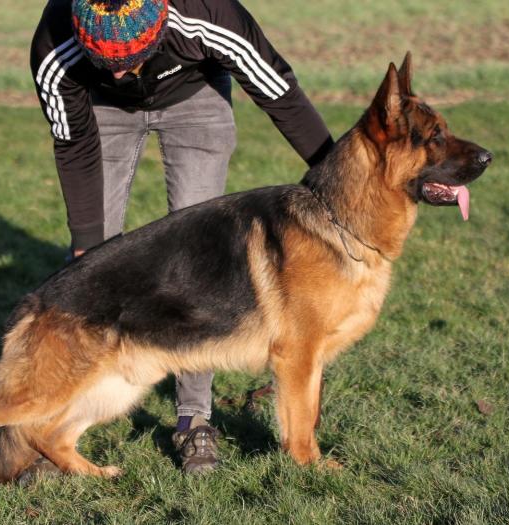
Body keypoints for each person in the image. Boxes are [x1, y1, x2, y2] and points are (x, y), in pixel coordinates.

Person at [29, 0, 333, 474]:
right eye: (112, 65)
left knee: (203, 268)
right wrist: (88, 242)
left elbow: (278, 91)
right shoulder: (57, 46)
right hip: (101, 112)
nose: (127, 75)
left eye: (135, 59)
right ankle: (54, 426)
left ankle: (195, 421)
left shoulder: (207, 14)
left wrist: (335, 177)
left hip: (194, 99)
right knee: (93, 263)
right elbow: (73, 143)